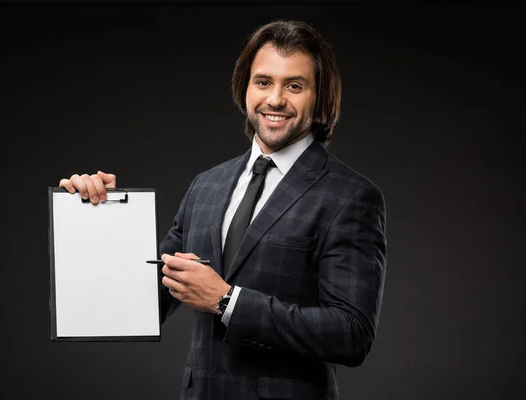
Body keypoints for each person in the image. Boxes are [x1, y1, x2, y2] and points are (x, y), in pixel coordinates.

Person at [59, 19, 387, 400]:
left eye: (294, 86)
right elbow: (144, 304)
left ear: (320, 97)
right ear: (245, 88)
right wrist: (102, 219)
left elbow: (352, 334)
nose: (275, 99)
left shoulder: (350, 195)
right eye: (263, 82)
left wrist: (227, 300)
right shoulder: (206, 185)